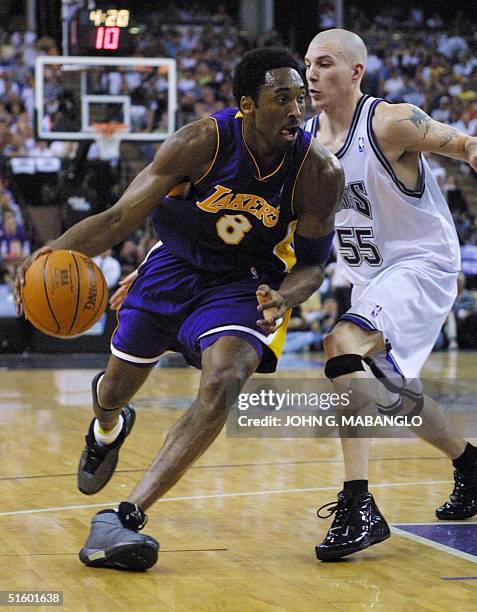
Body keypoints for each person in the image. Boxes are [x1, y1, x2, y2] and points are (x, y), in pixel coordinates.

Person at [14, 48, 344, 571]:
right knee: (113, 391)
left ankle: (125, 517)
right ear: (246, 105)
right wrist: (53, 253)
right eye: (281, 99)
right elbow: (120, 217)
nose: (296, 110)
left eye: (300, 99)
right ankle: (108, 427)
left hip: (241, 283)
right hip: (170, 269)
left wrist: (286, 296)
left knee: (224, 382)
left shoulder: (319, 173)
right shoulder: (201, 143)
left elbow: (312, 265)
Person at [303, 29, 477, 561]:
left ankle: (359, 503)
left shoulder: (389, 122)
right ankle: (470, 463)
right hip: (369, 277)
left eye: (325, 63)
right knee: (393, 391)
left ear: (355, 72)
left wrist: (473, 149)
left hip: (421, 263)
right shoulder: (303, 140)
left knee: (341, 344)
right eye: (308, 63)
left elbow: (461, 142)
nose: (311, 73)